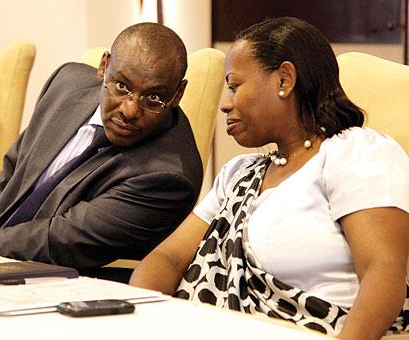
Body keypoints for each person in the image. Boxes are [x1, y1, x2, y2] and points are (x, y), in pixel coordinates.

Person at [130, 17, 409, 339]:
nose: (225, 103)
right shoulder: (240, 173)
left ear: (284, 80)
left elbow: (383, 273)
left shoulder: (355, 152)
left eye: (234, 86)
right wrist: (144, 315)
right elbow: (168, 257)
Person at [0, 22, 203, 281]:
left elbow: (60, 239)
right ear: (104, 67)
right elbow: (9, 178)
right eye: (122, 86)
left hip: (60, 283)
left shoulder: (168, 177)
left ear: (178, 94)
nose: (130, 110)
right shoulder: (66, 85)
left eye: (153, 98)